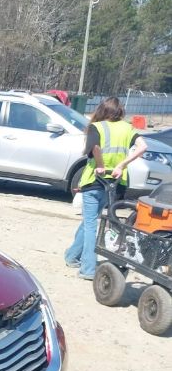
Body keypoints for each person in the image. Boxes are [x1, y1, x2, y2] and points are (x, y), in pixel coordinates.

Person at [64, 97, 147, 280]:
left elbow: (95, 147)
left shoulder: (97, 127)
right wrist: (121, 165)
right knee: (90, 221)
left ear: (102, 110)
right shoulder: (127, 128)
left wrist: (100, 164)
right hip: (115, 184)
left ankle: (88, 269)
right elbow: (143, 146)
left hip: (95, 181)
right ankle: (71, 256)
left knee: (91, 225)